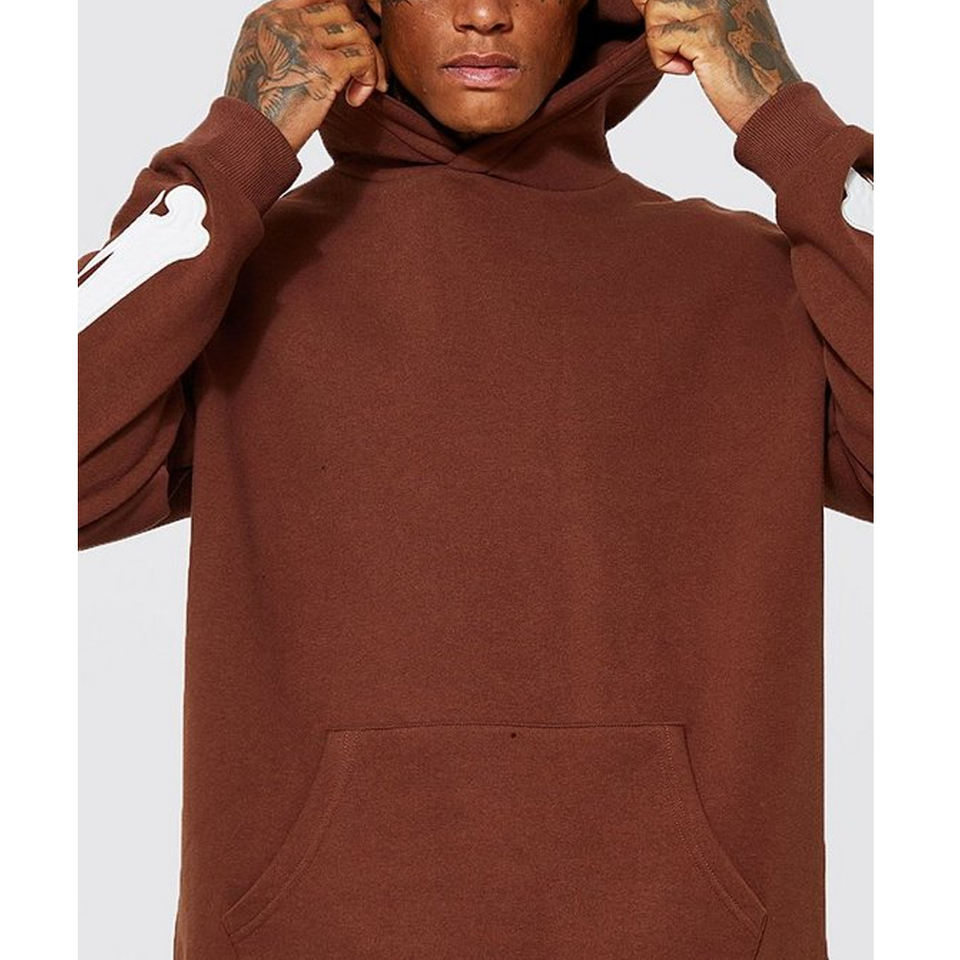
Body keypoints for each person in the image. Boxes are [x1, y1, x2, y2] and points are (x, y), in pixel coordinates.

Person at [77, 0, 873, 957]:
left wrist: (794, 129)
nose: (485, 14)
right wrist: (233, 149)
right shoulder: (236, 285)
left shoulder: (748, 283)